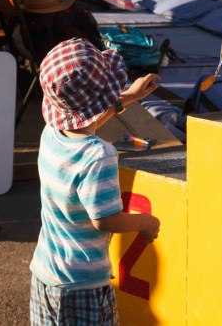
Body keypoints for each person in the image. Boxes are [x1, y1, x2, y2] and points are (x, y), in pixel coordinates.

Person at [30, 38, 161, 326]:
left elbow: (85, 122)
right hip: (83, 284)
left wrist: (127, 97)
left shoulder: (50, 133)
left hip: (45, 273)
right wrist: (146, 222)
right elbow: (106, 220)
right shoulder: (98, 155)